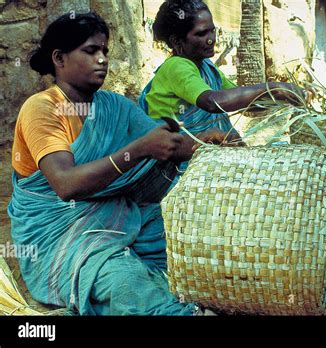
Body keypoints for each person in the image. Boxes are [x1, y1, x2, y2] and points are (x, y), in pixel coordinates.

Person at [7, 12, 221, 315]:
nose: (102, 60)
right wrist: (138, 150)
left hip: (117, 214)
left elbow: (166, 144)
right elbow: (65, 185)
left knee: (182, 242)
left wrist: (207, 141)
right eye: (91, 51)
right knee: (123, 280)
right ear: (59, 58)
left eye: (105, 51)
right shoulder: (42, 109)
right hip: (61, 234)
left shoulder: (113, 105)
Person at [139, 0, 305, 138]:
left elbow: (245, 102)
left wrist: (285, 97)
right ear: (176, 41)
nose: (211, 39)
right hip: (177, 163)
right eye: (201, 34)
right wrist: (274, 88)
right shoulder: (176, 66)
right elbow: (213, 102)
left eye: (213, 31)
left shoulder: (206, 68)